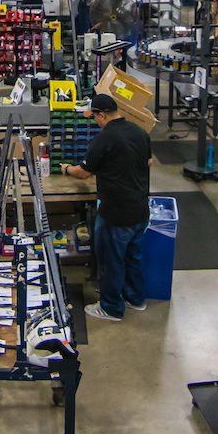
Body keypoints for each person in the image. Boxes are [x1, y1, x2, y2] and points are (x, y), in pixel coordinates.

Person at [64, 93, 151, 321]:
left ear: (102, 115)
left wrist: (65, 169)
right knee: (133, 256)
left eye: (94, 116)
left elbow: (83, 172)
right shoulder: (139, 132)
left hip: (116, 213)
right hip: (141, 210)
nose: (94, 121)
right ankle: (136, 298)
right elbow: (148, 161)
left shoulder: (104, 139)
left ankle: (111, 307)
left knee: (112, 261)